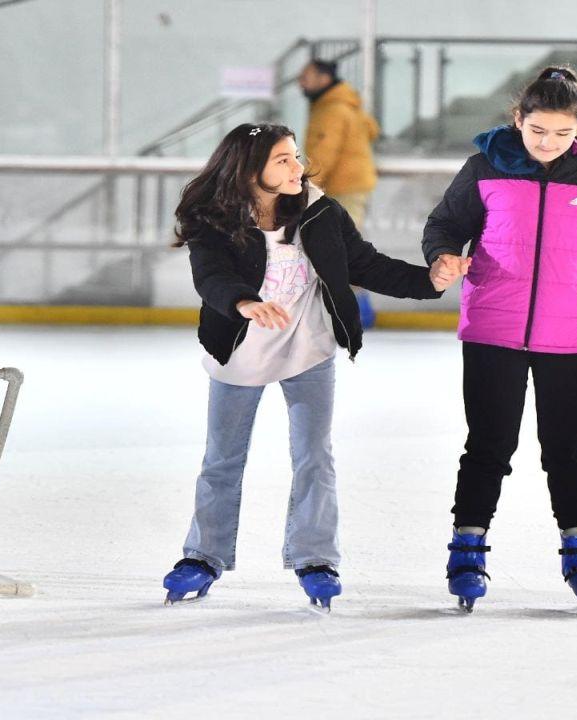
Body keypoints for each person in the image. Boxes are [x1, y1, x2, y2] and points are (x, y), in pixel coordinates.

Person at [163, 123, 453, 610]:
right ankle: (203, 556)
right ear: (250, 170)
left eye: (295, 156)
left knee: (314, 455)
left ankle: (315, 556)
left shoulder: (320, 212)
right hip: (239, 350)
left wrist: (430, 281)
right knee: (222, 459)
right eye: (283, 160)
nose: (298, 167)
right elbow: (210, 275)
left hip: (308, 348)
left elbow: (365, 263)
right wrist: (243, 303)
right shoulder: (214, 221)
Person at [421, 66, 577, 613]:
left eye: (561, 133)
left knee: (569, 451)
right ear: (518, 121)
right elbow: (443, 225)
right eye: (537, 131)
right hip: (493, 329)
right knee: (488, 446)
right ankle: (467, 550)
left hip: (570, 334)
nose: (548, 143)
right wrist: (445, 255)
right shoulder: (483, 168)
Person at [297, 59, 382, 328]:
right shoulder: (346, 104)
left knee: (340, 250)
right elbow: (371, 130)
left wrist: (305, 189)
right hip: (349, 188)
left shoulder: (332, 110)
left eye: (306, 76)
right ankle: (356, 309)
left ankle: (355, 310)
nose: (301, 82)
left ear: (324, 78)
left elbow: (323, 155)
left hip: (341, 190)